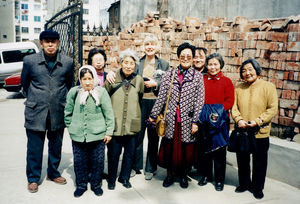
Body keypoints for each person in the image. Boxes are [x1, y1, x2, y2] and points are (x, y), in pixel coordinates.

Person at [106, 34, 169, 180]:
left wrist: (156, 84)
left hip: (156, 104)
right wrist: (110, 72)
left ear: (157, 46)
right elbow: (125, 73)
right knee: (137, 136)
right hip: (139, 102)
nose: (150, 47)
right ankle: (135, 166)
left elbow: (167, 84)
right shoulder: (137, 62)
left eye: (152, 44)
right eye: (147, 44)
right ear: (143, 47)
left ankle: (150, 168)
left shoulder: (163, 64)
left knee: (153, 138)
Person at [21, 30, 74, 193]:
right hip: (36, 111)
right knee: (34, 147)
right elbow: (25, 83)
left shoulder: (67, 62)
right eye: (46, 41)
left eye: (53, 41)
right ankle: (33, 178)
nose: (50, 44)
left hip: (58, 110)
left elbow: (69, 84)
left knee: (56, 145)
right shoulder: (30, 61)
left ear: (58, 43)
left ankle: (53, 172)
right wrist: (37, 98)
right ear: (41, 43)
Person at [149, 42, 205, 188]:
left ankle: (183, 175)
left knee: (186, 151)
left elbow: (199, 101)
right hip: (170, 120)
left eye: (189, 56)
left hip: (187, 121)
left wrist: (195, 122)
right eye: (183, 56)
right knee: (170, 149)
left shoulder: (198, 77)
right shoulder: (169, 74)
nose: (185, 58)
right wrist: (153, 115)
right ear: (179, 57)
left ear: (192, 58)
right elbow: (161, 97)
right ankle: (169, 175)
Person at [64, 65, 114, 197]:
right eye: (84, 78)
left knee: (98, 161)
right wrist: (71, 128)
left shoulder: (101, 92)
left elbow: (109, 113)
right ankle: (81, 185)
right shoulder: (74, 92)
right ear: (80, 80)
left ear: (94, 79)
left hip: (98, 135)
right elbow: (67, 112)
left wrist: (109, 132)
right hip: (78, 136)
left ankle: (96, 184)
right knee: (79, 161)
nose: (87, 82)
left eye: (90, 78)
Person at [231, 58, 278, 199]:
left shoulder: (268, 87)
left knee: (260, 161)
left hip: (260, 131)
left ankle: (258, 188)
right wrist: (238, 119)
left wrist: (258, 121)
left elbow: (272, 108)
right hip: (243, 131)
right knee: (243, 160)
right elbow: (234, 108)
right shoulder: (239, 88)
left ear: (257, 70)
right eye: (244, 70)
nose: (247, 73)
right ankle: (244, 184)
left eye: (250, 69)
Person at [104, 49, 144, 190]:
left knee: (129, 154)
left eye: (131, 63)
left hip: (132, 124)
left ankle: (124, 177)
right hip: (115, 123)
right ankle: (111, 178)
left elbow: (140, 97)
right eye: (125, 62)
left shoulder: (139, 80)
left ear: (135, 65)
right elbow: (104, 97)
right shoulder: (112, 78)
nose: (128, 66)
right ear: (121, 63)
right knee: (113, 154)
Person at [198, 53, 234, 191]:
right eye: (210, 64)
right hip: (204, 118)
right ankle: (206, 175)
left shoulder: (226, 81)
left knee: (219, 151)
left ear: (220, 65)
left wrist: (217, 111)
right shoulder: (202, 79)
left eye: (215, 64)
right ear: (206, 65)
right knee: (205, 149)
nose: (212, 67)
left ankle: (219, 180)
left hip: (220, 121)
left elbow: (230, 100)